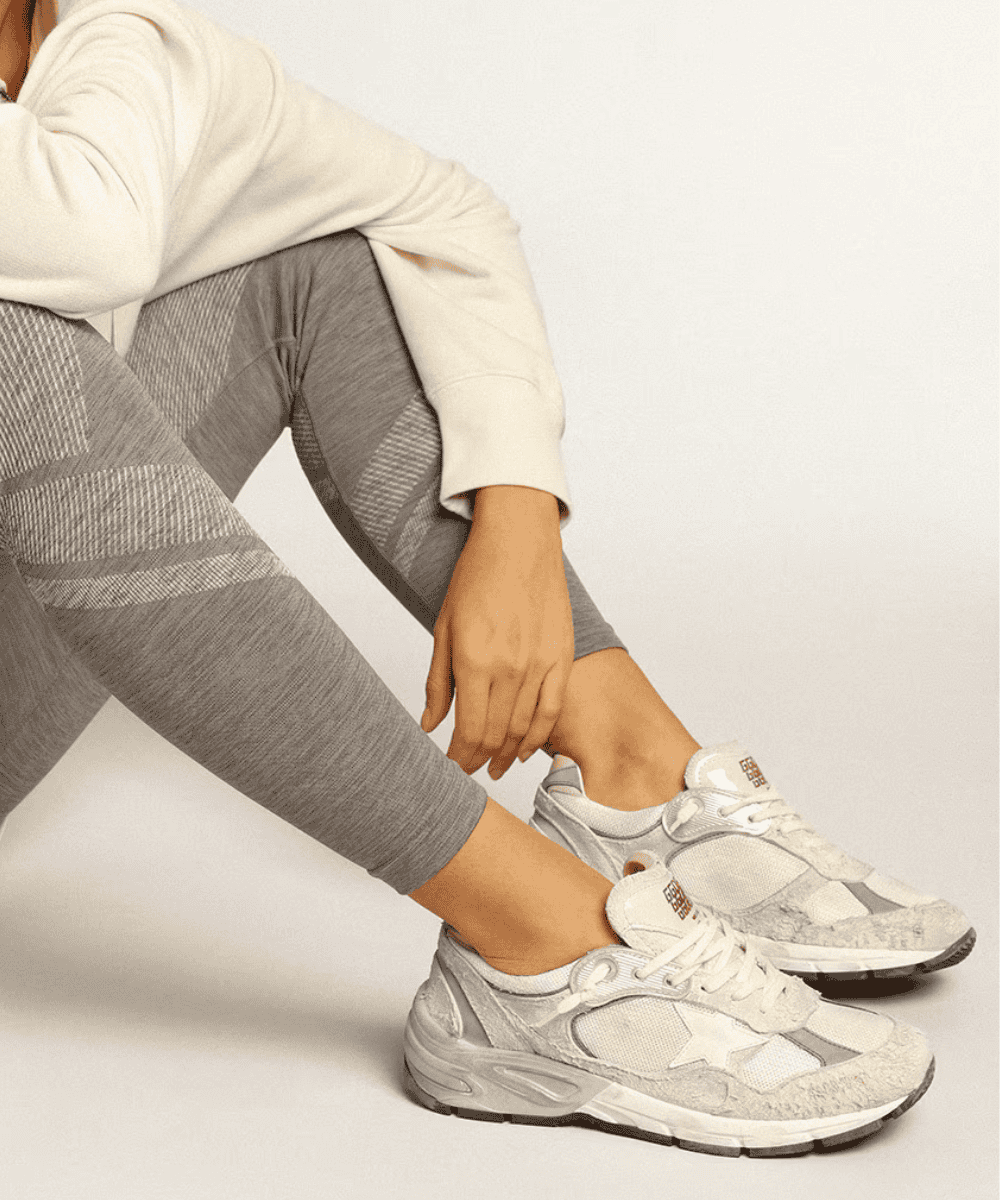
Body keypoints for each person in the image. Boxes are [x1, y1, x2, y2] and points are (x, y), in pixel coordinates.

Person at [0, 0, 974, 1158]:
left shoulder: (117, 47)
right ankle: (534, 940)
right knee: (15, 345)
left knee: (314, 265)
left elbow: (437, 207)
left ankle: (628, 777)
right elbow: (94, 241)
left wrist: (516, 519)